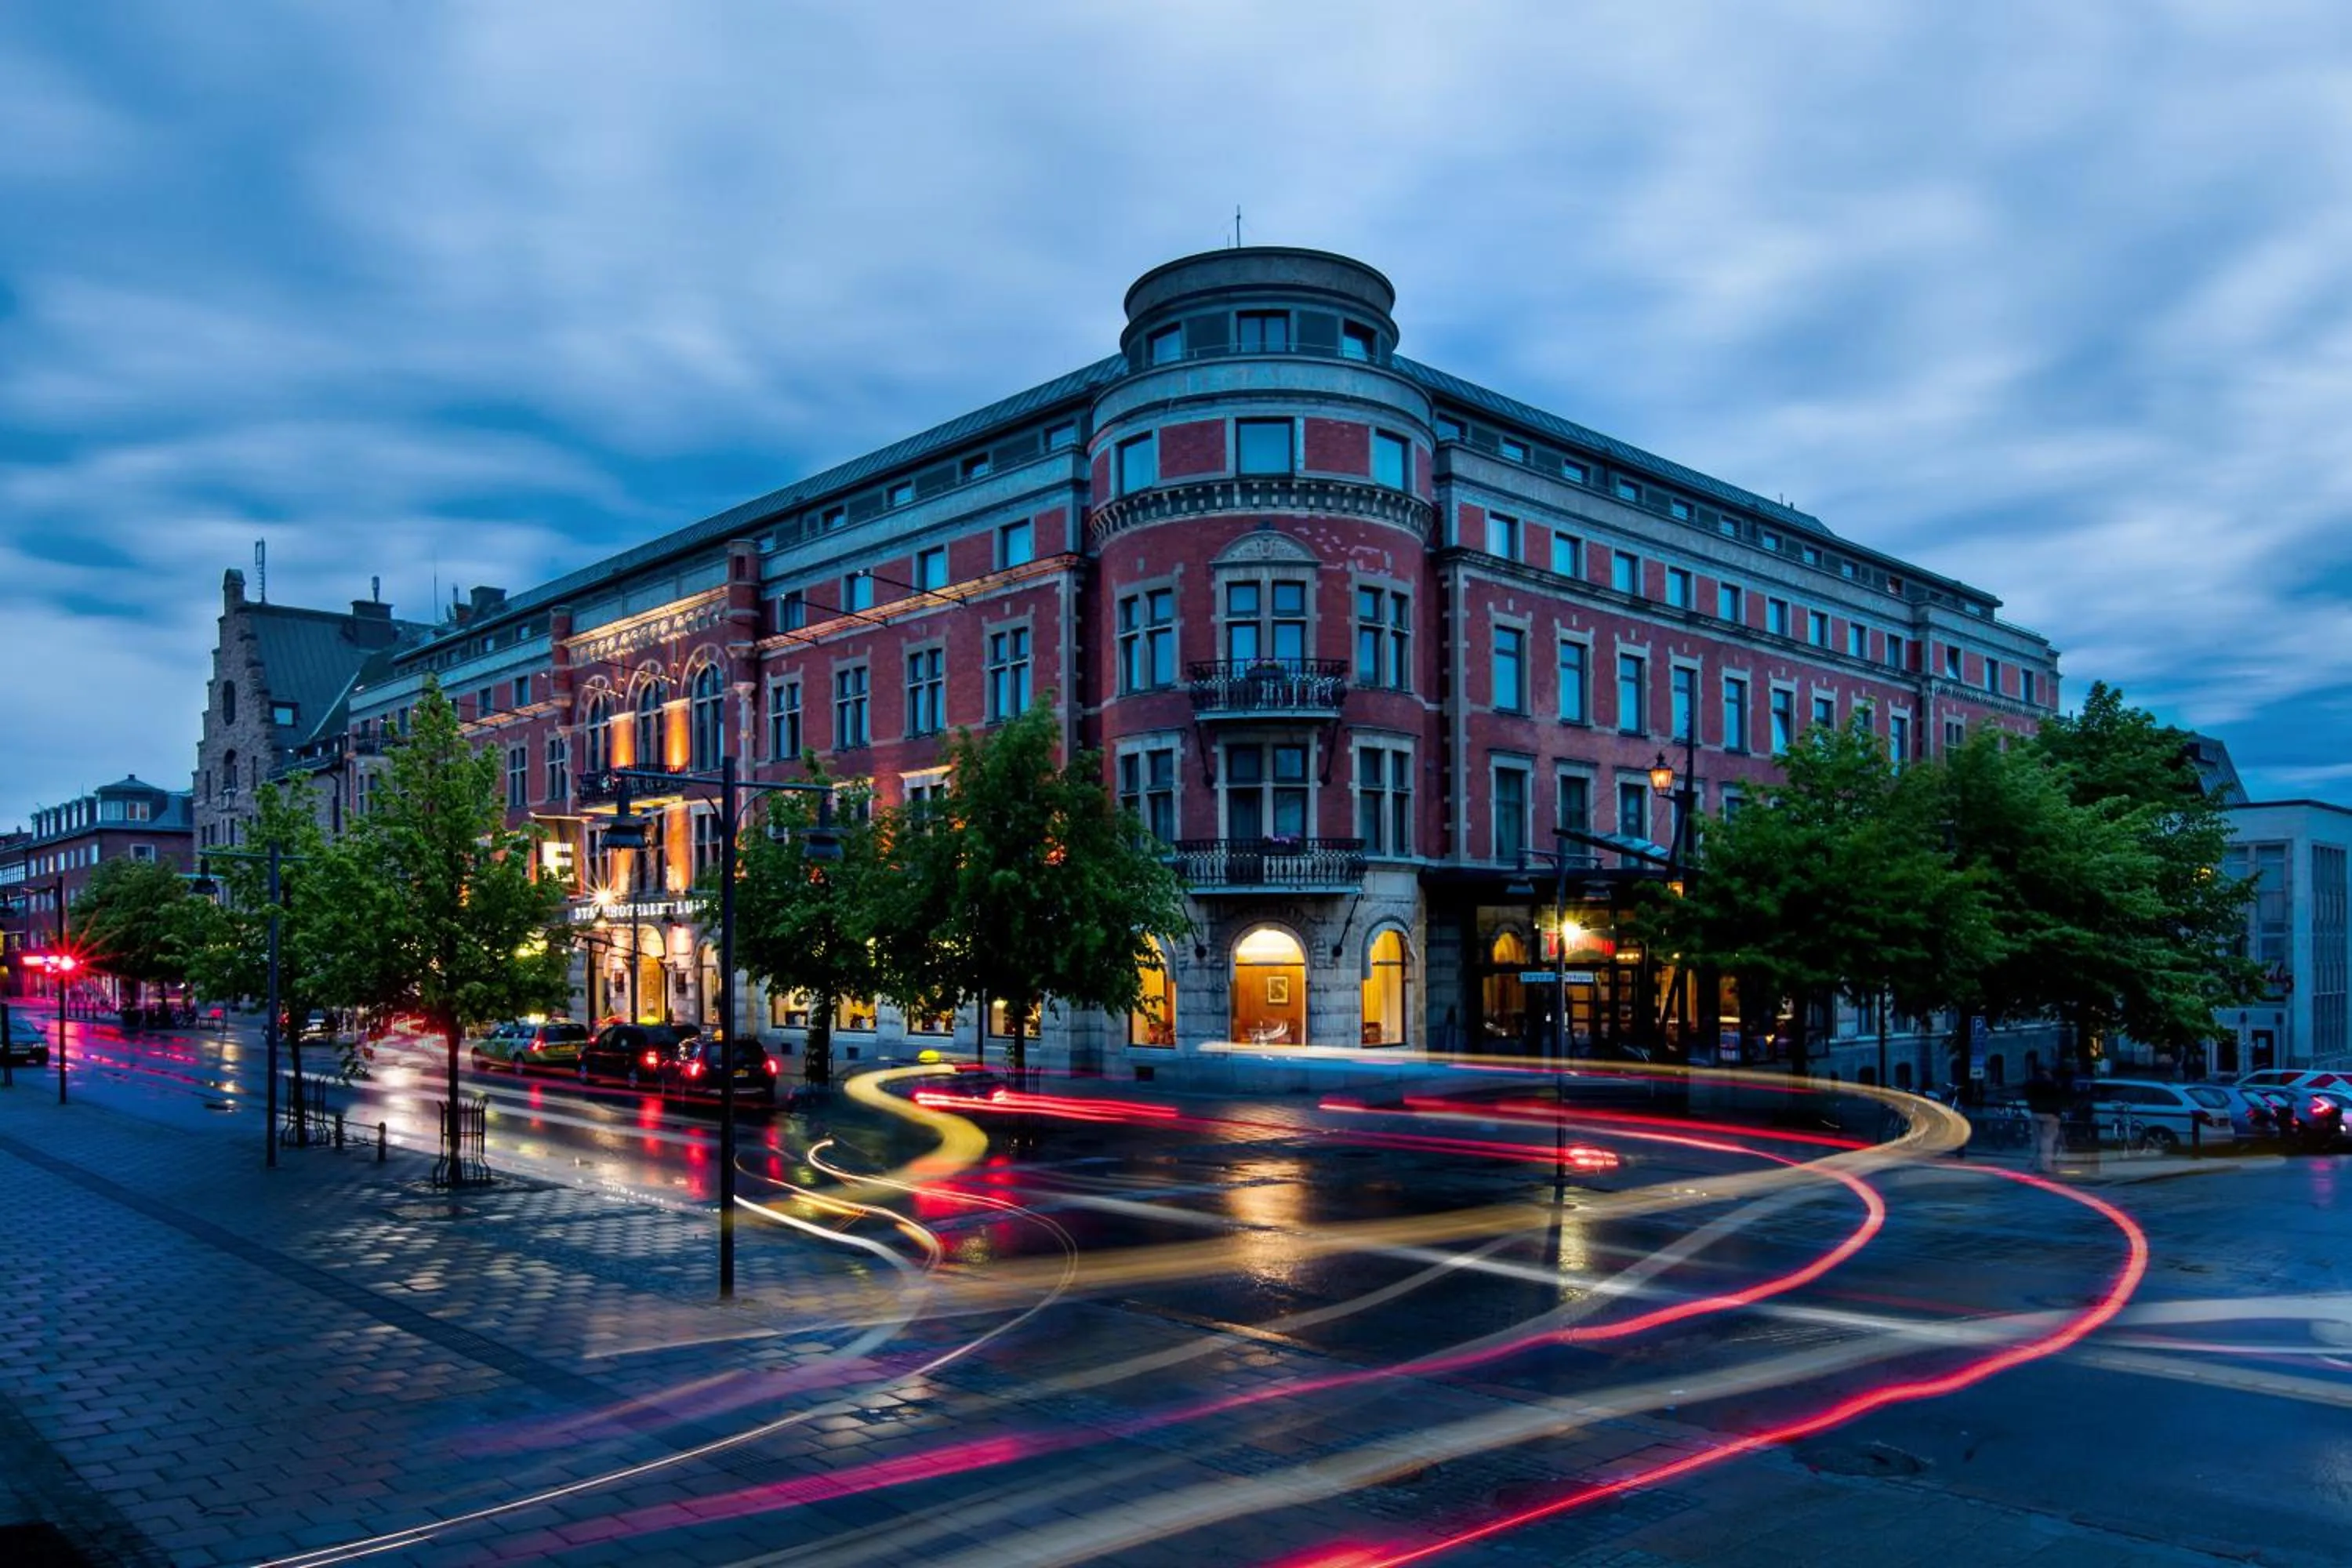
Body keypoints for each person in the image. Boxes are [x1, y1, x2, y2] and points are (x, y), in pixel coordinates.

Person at [2023, 1064, 2064, 1172]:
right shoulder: (2052, 1084)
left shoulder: (2030, 1083)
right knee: (2047, 1140)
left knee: (2036, 1139)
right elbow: (2059, 1098)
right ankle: (2046, 1166)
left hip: (2035, 1112)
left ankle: (2035, 1164)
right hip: (2051, 1114)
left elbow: (2027, 1095)